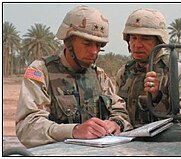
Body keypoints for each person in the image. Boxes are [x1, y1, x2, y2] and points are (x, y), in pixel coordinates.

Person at [16, 5, 132, 148]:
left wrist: (116, 123)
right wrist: (74, 131)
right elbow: (28, 128)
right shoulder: (41, 71)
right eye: (87, 43)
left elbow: (120, 111)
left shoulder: (98, 75)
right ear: (67, 41)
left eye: (99, 45)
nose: (94, 51)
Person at [115, 8, 181, 128]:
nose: (137, 45)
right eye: (133, 38)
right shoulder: (125, 72)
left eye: (145, 38)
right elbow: (119, 112)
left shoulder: (176, 71)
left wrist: (157, 98)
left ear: (159, 41)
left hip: (163, 145)